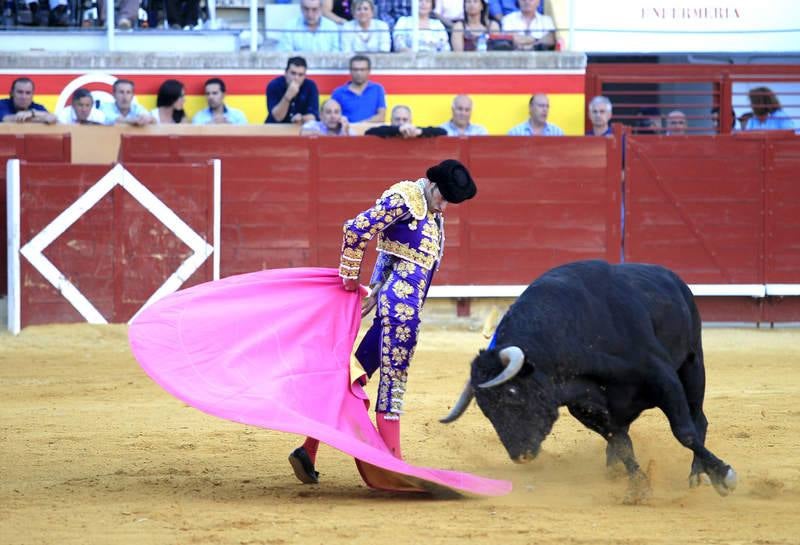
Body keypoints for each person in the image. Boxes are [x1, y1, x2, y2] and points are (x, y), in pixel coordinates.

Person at [287, 158, 478, 483]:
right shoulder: (406, 198)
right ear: (432, 184)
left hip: (397, 309)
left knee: (354, 377)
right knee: (393, 383)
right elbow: (357, 229)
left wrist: (377, 286)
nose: (444, 206)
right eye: (443, 197)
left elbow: (391, 250)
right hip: (400, 314)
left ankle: (309, 449)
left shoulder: (429, 210)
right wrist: (350, 280)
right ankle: (394, 463)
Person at [331, 55, 386, 123]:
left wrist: (359, 126)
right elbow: (333, 117)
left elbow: (381, 117)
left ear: (369, 71)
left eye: (362, 70)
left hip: (371, 129)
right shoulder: (338, 93)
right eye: (355, 70)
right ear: (350, 71)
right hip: (347, 129)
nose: (358, 73)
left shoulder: (377, 89)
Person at [265, 56, 320, 124]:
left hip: (300, 127)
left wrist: (302, 118)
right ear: (286, 73)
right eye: (293, 73)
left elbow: (314, 116)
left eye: (300, 75)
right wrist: (287, 97)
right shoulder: (274, 85)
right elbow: (277, 117)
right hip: (275, 127)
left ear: (304, 76)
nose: (296, 78)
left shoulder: (311, 86)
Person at [364, 104, 447, 138]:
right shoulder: (385, 131)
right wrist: (398, 130)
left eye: (405, 119)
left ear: (410, 121)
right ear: (391, 120)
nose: (401, 123)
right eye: (397, 119)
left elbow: (443, 132)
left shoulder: (415, 131)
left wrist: (420, 132)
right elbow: (368, 132)